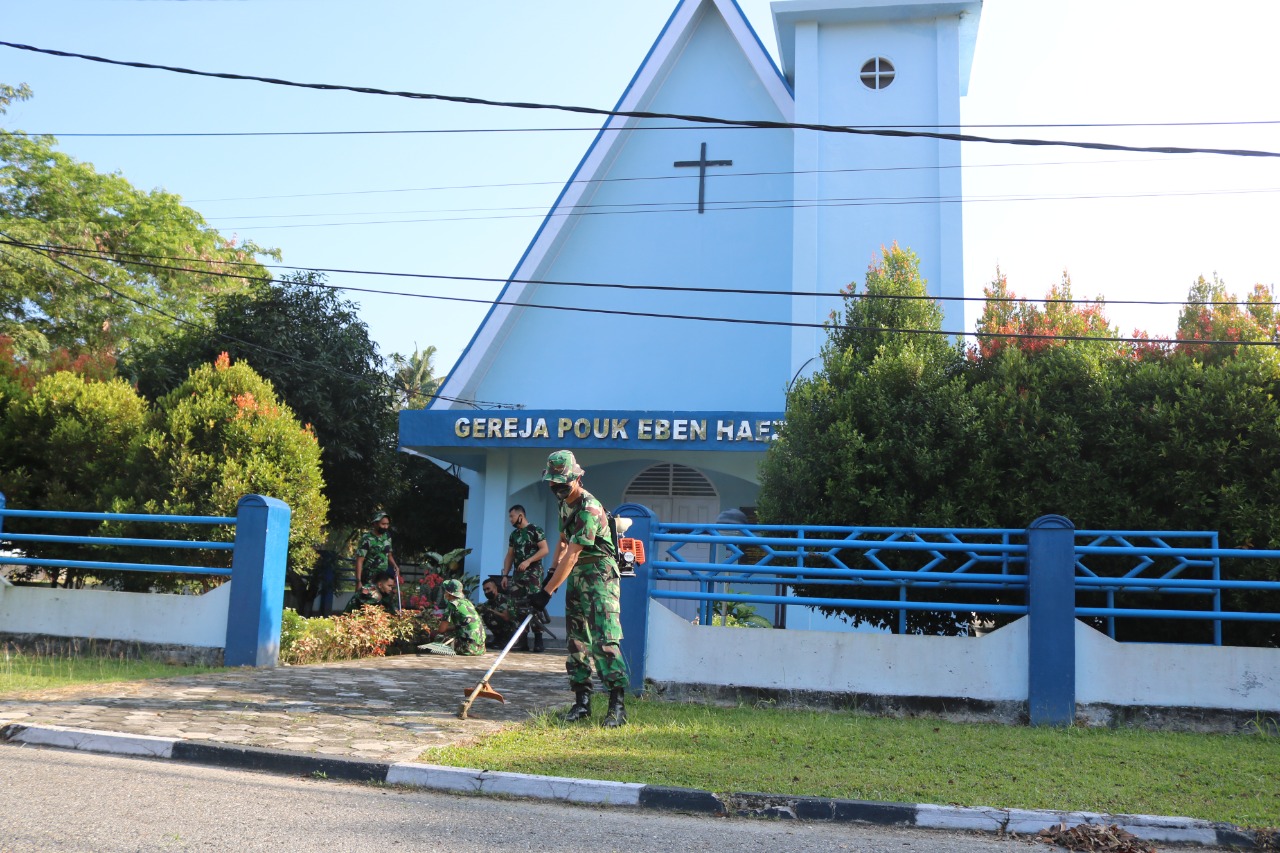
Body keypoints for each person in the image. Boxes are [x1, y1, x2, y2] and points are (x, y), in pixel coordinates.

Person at [526, 450, 628, 728]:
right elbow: (562, 541)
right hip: (577, 574)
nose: (557, 487)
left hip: (599, 575)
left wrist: (546, 592)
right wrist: (551, 573)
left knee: (604, 640)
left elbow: (573, 553)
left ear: (577, 478)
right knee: (576, 640)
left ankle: (617, 707)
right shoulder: (564, 505)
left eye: (563, 482)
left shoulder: (588, 508)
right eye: (554, 482)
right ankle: (582, 702)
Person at [502, 504, 549, 652]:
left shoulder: (535, 530)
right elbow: (510, 555)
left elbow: (544, 550)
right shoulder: (514, 535)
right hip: (518, 574)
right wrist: (505, 575)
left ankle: (538, 639)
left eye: (512, 516)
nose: (510, 519)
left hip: (533, 573)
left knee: (534, 603)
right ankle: (521, 640)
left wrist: (528, 561)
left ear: (520, 516)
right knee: (515, 604)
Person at [434, 578, 485, 656]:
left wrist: (434, 631)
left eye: (445, 591)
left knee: (438, 637)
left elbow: (441, 630)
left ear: (449, 593)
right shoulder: (468, 603)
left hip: (467, 648)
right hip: (481, 648)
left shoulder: (451, 604)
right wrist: (450, 628)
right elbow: (464, 625)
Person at [355, 511, 400, 588]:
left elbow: (389, 555)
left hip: (383, 577)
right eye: (383, 524)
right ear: (375, 523)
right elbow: (359, 560)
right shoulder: (367, 538)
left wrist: (395, 566)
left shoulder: (387, 537)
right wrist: (358, 581)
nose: (385, 527)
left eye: (387, 524)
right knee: (368, 596)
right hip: (369, 578)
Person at [478, 576, 522, 649]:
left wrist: (491, 611)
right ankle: (498, 639)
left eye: (488, 589)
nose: (486, 592)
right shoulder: (488, 603)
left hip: (513, 630)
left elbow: (506, 617)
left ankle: (506, 640)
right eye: (484, 590)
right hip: (503, 630)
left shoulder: (503, 599)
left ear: (495, 588)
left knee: (491, 614)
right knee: (485, 614)